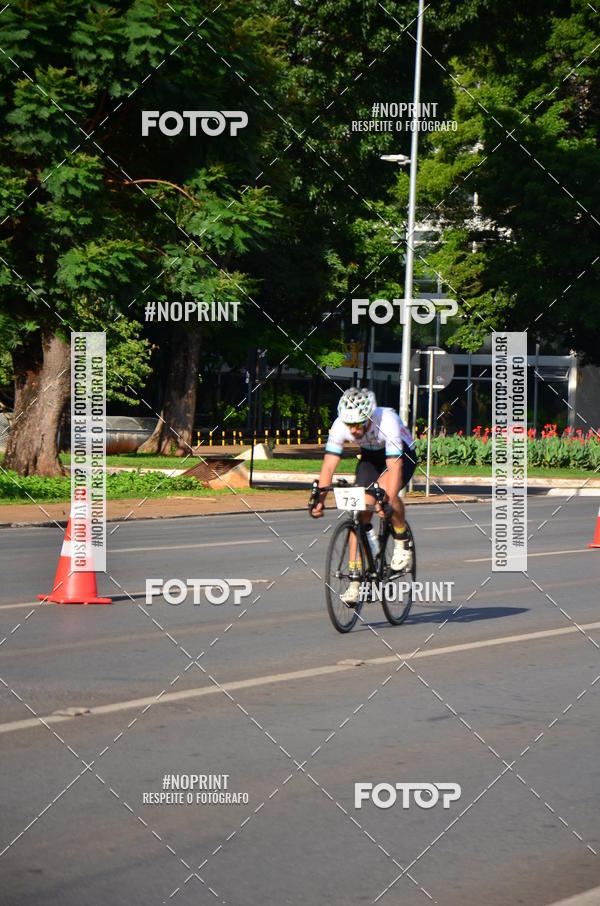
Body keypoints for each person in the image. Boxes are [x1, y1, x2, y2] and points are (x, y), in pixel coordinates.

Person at [310, 387, 417, 604]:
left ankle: (401, 539)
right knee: (359, 511)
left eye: (358, 424)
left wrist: (386, 500)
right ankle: (355, 581)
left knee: (385, 495)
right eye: (349, 425)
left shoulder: (387, 420)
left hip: (401, 455)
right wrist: (319, 499)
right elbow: (329, 464)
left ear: (369, 417)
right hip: (370, 457)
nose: (353, 430)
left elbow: (394, 467)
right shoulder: (340, 425)